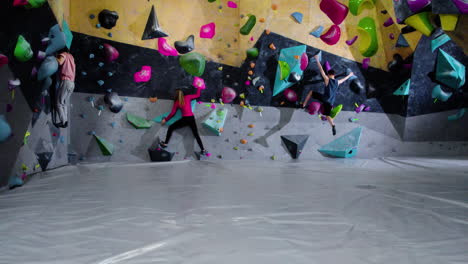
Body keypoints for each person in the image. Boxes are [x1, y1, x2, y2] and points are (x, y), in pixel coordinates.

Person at [302, 55, 354, 136]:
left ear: (329, 75)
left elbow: (321, 69)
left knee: (311, 92)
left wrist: (317, 59)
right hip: (330, 103)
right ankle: (333, 125)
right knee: (327, 115)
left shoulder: (327, 80)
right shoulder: (337, 82)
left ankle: (304, 104)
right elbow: (344, 79)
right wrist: (350, 75)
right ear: (334, 75)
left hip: (324, 98)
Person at [160, 87, 207, 155]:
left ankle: (165, 143)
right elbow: (197, 95)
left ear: (176, 95)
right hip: (191, 118)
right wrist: (199, 87)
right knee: (196, 134)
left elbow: (172, 113)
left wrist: (165, 120)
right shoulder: (188, 97)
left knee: (171, 127)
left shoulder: (177, 102)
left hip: (185, 119)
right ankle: (203, 149)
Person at [55, 51, 75, 128]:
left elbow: (60, 62)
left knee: (59, 103)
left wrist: (55, 57)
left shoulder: (64, 54)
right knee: (64, 103)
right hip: (72, 83)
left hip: (66, 81)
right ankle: (65, 120)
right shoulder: (72, 57)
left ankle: (63, 122)